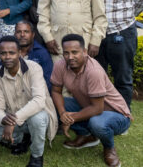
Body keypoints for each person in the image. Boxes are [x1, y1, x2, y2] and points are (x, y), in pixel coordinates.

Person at [51, 34, 133, 167]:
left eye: (75, 52)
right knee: (52, 104)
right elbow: (55, 91)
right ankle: (87, 136)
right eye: (66, 53)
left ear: (84, 52)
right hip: (88, 107)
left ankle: (109, 148)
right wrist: (62, 114)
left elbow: (97, 109)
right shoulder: (60, 65)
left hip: (117, 115)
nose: (70, 57)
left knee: (97, 123)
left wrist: (71, 118)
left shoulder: (94, 71)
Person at [0, 36, 56, 167]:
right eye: (3, 53)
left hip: (36, 115)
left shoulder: (34, 68)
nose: (7, 57)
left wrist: (14, 120)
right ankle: (23, 139)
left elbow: (39, 101)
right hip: (13, 118)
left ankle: (36, 156)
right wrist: (4, 119)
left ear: (20, 53)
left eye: (11, 53)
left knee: (37, 119)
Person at [15, 20, 53, 91]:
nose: (22, 35)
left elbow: (48, 81)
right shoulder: (10, 52)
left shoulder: (42, 53)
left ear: (33, 35)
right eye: (19, 32)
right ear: (14, 34)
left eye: (26, 32)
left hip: (37, 94)